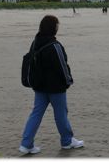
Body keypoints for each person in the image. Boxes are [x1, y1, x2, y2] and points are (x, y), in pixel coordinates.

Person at [19, 15, 83, 154]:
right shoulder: (55, 45)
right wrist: (68, 81)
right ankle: (67, 141)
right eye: (57, 26)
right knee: (61, 114)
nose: (58, 28)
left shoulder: (35, 42)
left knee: (36, 114)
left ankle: (26, 144)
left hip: (39, 86)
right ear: (53, 28)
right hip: (56, 87)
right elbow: (63, 66)